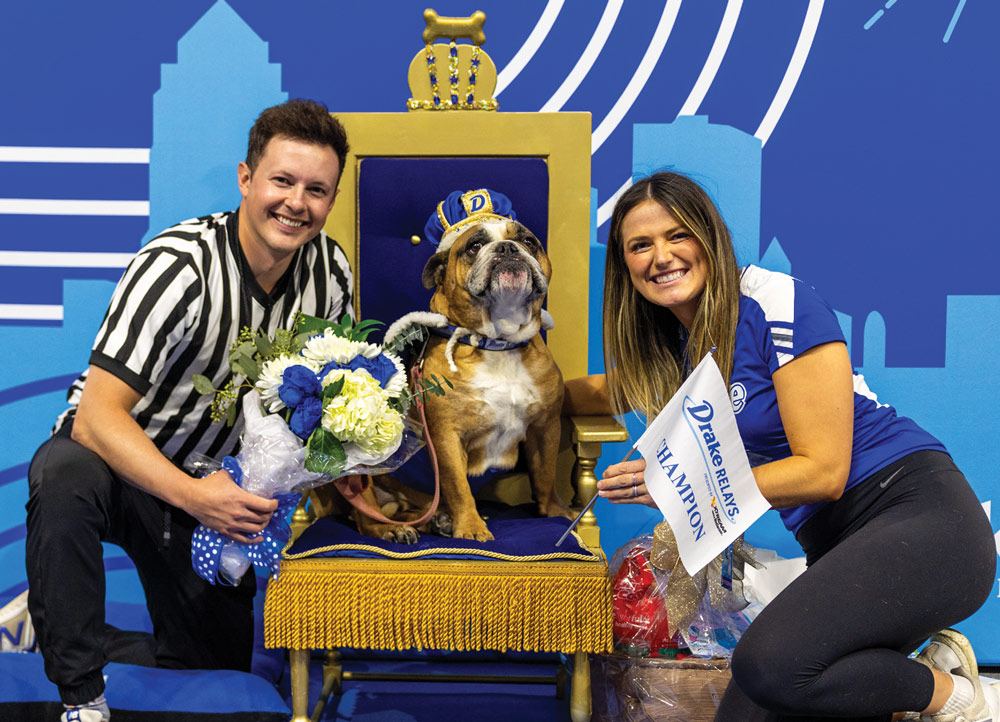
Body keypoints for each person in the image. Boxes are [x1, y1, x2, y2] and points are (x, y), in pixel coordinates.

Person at [564, 171, 996, 722]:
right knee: (748, 708)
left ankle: (957, 696)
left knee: (768, 666)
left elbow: (823, 473)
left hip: (919, 517)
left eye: (678, 235)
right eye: (640, 245)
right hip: (838, 544)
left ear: (709, 238)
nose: (661, 256)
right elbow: (597, 391)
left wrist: (679, 486)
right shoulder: (677, 348)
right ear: (625, 265)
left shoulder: (772, 301)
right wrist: (507, 387)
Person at [25, 98, 354, 722]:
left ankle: (76, 636)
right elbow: (98, 415)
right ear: (245, 178)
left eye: (317, 189)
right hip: (114, 457)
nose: (296, 202)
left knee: (211, 679)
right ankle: (81, 697)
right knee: (61, 472)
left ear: (331, 201)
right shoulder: (179, 266)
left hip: (211, 487)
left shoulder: (328, 273)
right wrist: (193, 495)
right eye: (282, 180)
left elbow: (320, 405)